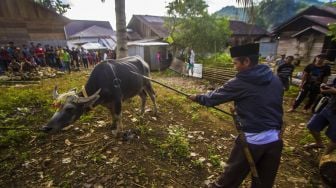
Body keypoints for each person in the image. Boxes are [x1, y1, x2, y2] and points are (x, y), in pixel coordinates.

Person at [189, 43, 284, 188]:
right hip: (275, 140)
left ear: (246, 61)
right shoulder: (275, 79)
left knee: (228, 180)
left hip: (252, 141)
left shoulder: (240, 82)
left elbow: (212, 99)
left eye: (235, 63)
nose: (234, 67)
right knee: (264, 184)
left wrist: (197, 97)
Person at [305, 78, 336, 155]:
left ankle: (324, 158)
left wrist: (334, 91)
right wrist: (326, 87)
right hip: (330, 106)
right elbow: (332, 87)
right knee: (312, 126)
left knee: (334, 139)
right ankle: (319, 143)